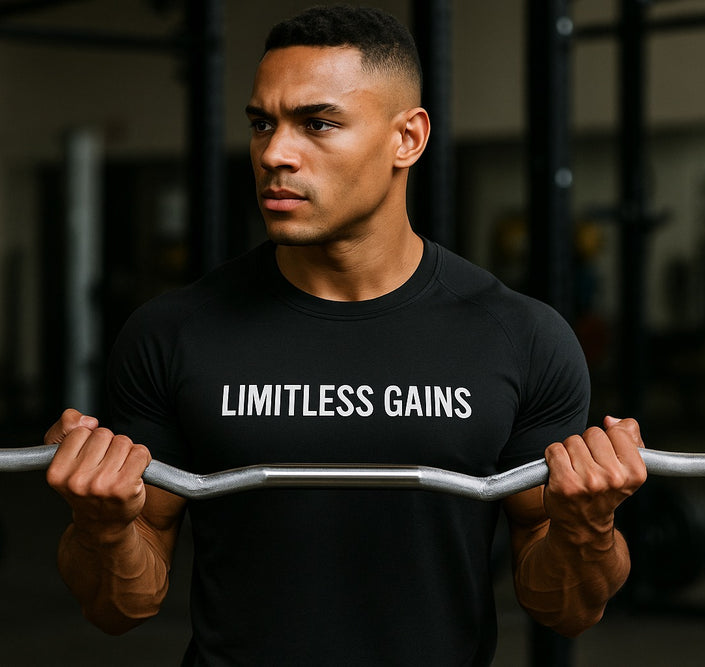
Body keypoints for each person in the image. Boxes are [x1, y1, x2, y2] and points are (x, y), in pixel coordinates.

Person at [45, 6, 647, 665]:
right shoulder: (172, 333)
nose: (274, 152)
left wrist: (587, 525)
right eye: (261, 123)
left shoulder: (523, 337)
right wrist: (101, 527)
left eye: (318, 123)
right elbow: (121, 606)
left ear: (407, 139)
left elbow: (565, 607)